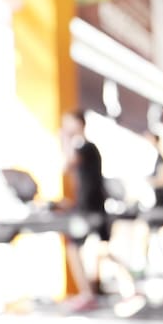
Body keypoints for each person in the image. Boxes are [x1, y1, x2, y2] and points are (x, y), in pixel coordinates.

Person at [58, 109, 111, 310]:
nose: (64, 126)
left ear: (79, 124)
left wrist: (64, 140)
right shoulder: (88, 149)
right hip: (90, 207)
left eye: (68, 122)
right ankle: (128, 283)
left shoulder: (85, 147)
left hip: (89, 210)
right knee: (100, 251)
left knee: (73, 248)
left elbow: (67, 165)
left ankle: (87, 294)